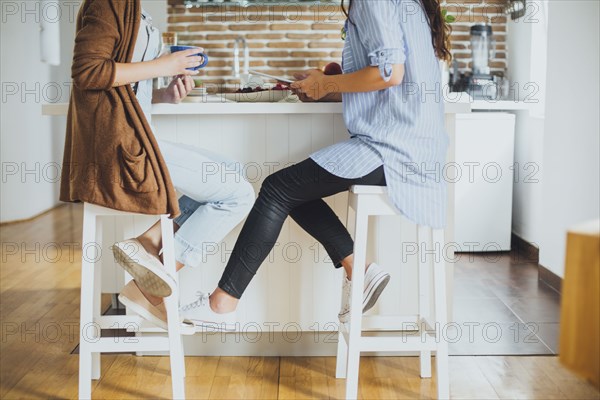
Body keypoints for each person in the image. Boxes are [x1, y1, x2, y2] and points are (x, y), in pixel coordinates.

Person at [179, 0, 452, 330]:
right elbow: (388, 84)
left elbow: (388, 73)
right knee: (289, 189)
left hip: (393, 149)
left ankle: (222, 305)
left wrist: (327, 84)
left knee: (277, 190)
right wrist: (328, 86)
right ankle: (360, 268)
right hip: (414, 147)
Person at [62, 0, 254, 330]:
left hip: (136, 139)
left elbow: (126, 87)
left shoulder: (137, 8)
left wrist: (164, 93)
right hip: (116, 149)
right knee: (238, 196)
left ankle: (148, 244)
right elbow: (88, 71)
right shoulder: (108, 3)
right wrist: (164, 66)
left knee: (231, 171)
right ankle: (147, 289)